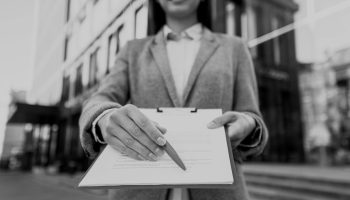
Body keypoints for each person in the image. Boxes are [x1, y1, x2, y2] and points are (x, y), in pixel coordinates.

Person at [79, 0, 268, 199]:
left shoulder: (235, 48)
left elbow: (252, 115)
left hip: (220, 192)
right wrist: (105, 117)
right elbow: (99, 99)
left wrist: (248, 123)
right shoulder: (132, 50)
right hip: (139, 189)